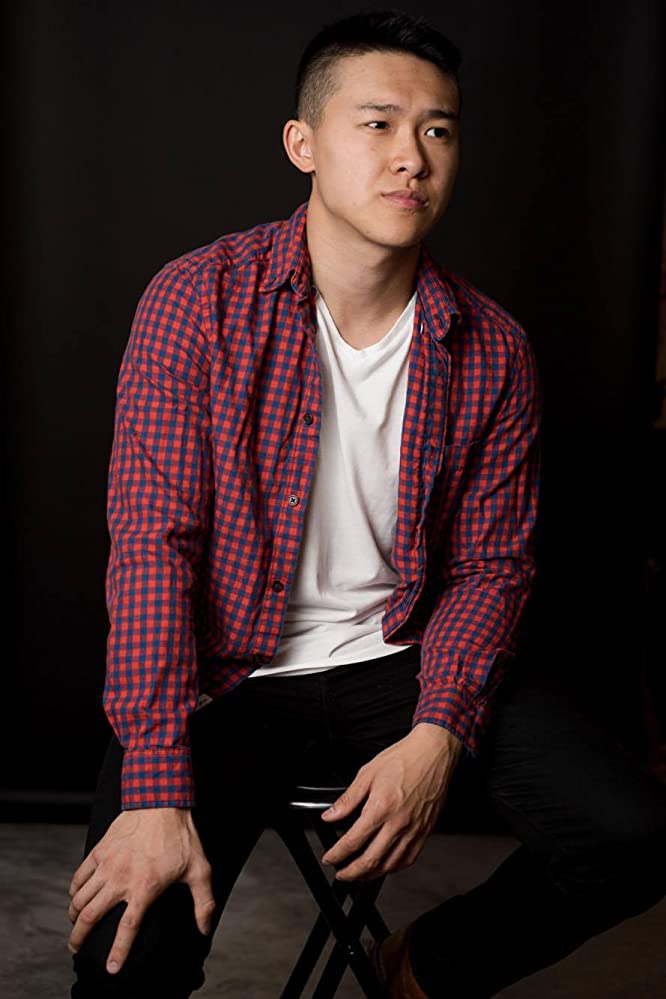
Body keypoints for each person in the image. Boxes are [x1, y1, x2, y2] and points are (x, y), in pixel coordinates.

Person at [67, 9, 666, 998]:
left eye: (439, 129)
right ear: (303, 144)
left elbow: (491, 568)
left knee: (634, 835)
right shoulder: (198, 300)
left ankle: (423, 967)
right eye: (379, 123)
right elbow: (152, 546)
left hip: (404, 653)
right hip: (229, 676)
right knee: (126, 953)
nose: (412, 157)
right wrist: (155, 787)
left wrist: (438, 733)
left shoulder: (492, 346)